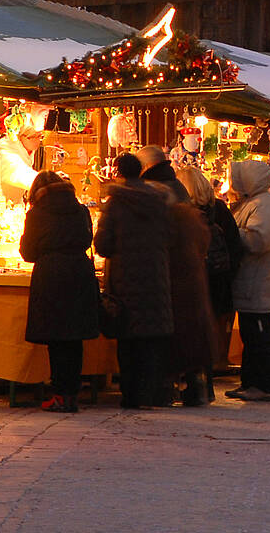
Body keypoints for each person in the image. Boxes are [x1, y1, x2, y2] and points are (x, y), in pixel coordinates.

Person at [94, 152, 174, 409]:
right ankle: (150, 393)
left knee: (127, 341)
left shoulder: (116, 203)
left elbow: (103, 245)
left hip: (125, 280)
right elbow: (169, 237)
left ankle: (130, 395)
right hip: (155, 277)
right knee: (150, 340)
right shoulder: (160, 200)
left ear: (118, 172)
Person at [19, 170, 98, 413]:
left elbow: (28, 252)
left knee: (56, 339)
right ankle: (71, 394)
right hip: (80, 273)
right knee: (74, 339)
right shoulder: (81, 210)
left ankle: (60, 394)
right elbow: (87, 241)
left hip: (51, 276)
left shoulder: (36, 214)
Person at [141, 146, 213, 407]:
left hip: (171, 286)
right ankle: (195, 389)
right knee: (190, 343)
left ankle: (164, 389)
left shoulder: (164, 222)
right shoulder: (190, 216)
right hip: (192, 286)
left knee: (169, 341)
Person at [227, 155, 270, 401]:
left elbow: (259, 240)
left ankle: (263, 384)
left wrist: (232, 233)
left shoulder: (262, 205)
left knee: (260, 335)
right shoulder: (253, 203)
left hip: (259, 283)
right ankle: (250, 382)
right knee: (250, 335)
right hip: (252, 283)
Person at [179, 165, 242, 380]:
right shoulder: (220, 210)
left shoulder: (184, 215)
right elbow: (235, 247)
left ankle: (197, 375)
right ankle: (215, 364)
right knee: (214, 325)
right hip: (220, 280)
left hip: (195, 280)